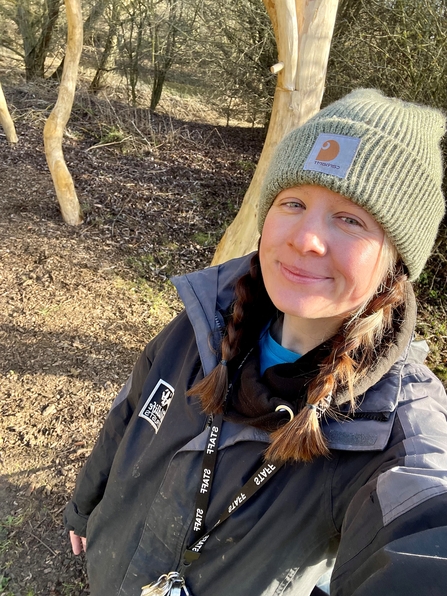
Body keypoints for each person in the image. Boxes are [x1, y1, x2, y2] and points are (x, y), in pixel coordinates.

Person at [64, 89, 447, 596]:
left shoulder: (397, 432)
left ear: (397, 261)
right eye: (293, 203)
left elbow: (421, 540)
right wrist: (84, 503)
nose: (305, 237)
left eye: (350, 218)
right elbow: (131, 412)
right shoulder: (204, 319)